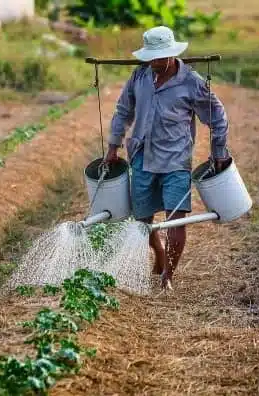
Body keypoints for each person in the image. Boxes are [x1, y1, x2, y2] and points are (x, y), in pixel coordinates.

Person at [104, 25, 231, 291]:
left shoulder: (192, 82)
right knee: (143, 221)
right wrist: (113, 145)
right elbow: (123, 110)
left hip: (176, 160)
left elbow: (217, 116)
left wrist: (219, 151)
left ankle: (167, 277)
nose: (156, 62)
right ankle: (159, 254)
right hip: (142, 157)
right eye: (152, 57)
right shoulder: (139, 77)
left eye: (161, 57)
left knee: (176, 218)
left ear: (173, 54)